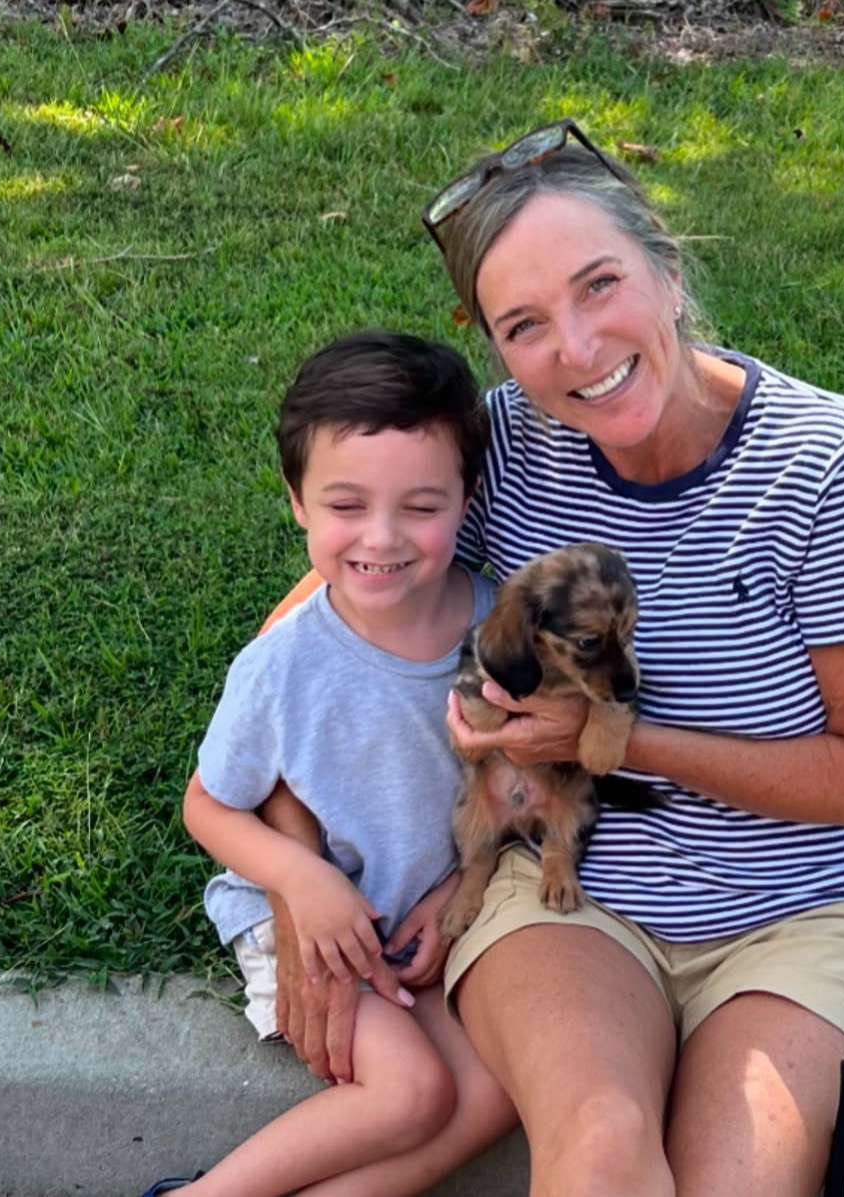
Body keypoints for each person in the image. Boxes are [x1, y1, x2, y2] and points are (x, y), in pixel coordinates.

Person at [268, 120, 844, 1197]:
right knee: (597, 1152)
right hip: (568, 891)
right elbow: (319, 613)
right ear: (495, 346)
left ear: (666, 270)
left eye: (599, 287)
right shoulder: (505, 444)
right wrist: (292, 872)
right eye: (526, 324)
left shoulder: (826, 467)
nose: (577, 350)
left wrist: (616, 739)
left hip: (804, 913)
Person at [144, 331, 515, 1197]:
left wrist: (454, 888)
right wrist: (301, 880)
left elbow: (511, 788)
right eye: (346, 504)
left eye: (422, 505)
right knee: (413, 1092)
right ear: (296, 501)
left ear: (469, 498)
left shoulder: (501, 637)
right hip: (306, 918)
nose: (381, 539)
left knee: (495, 1087)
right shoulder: (282, 666)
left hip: (415, 920)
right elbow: (209, 805)